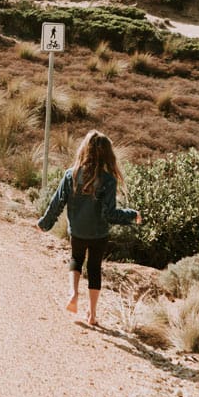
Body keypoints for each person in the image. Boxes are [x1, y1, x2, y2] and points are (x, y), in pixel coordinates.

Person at [36, 130, 142, 326]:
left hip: (77, 231)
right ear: (107, 154)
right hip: (98, 234)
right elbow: (110, 214)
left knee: (76, 259)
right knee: (94, 269)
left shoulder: (71, 174)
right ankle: (92, 315)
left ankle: (73, 294)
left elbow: (56, 203)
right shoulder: (108, 180)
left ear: (85, 149)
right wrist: (132, 215)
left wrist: (45, 223)